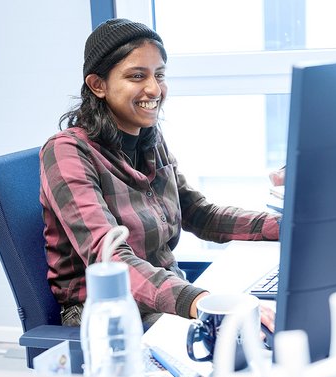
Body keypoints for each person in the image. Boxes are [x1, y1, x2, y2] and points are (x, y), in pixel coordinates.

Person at [39, 18, 280, 331]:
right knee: (243, 340)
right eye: (137, 76)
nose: (154, 89)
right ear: (98, 84)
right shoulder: (67, 152)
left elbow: (200, 214)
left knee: (267, 323)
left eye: (159, 75)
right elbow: (111, 259)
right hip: (106, 313)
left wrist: (288, 226)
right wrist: (203, 303)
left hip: (163, 298)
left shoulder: (149, 137)